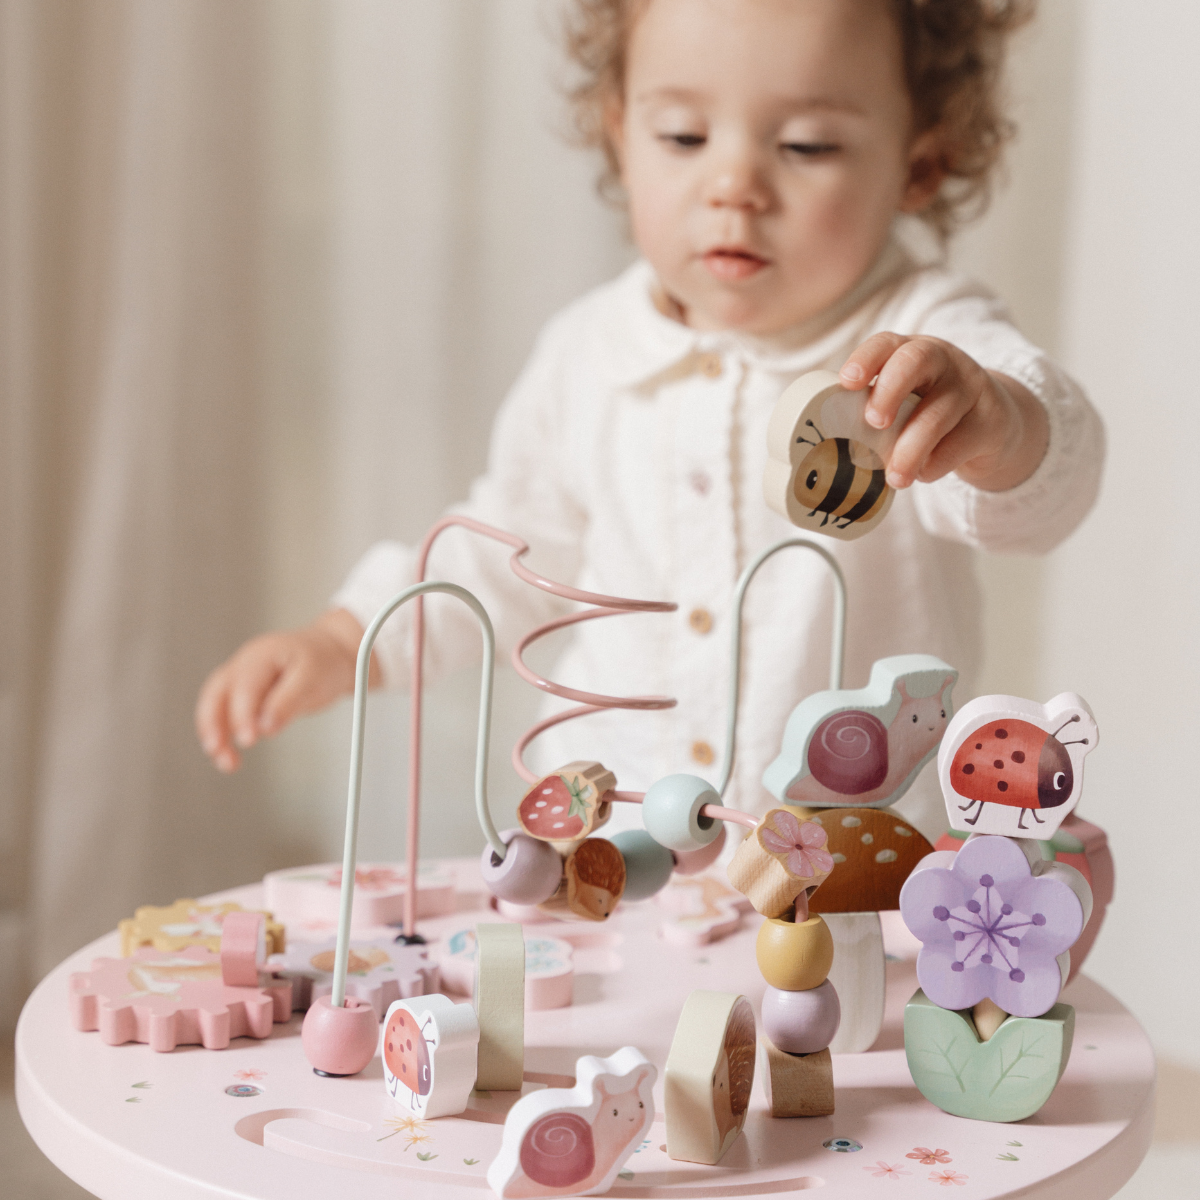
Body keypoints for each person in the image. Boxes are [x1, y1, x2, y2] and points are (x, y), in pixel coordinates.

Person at [195, 0, 1102, 839]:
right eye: (683, 134)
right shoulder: (587, 354)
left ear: (920, 164)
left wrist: (997, 423)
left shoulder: (926, 346)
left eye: (809, 146)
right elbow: (507, 552)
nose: (735, 183)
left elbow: (1047, 491)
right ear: (620, 135)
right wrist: (349, 637)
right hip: (605, 846)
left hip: (849, 871)